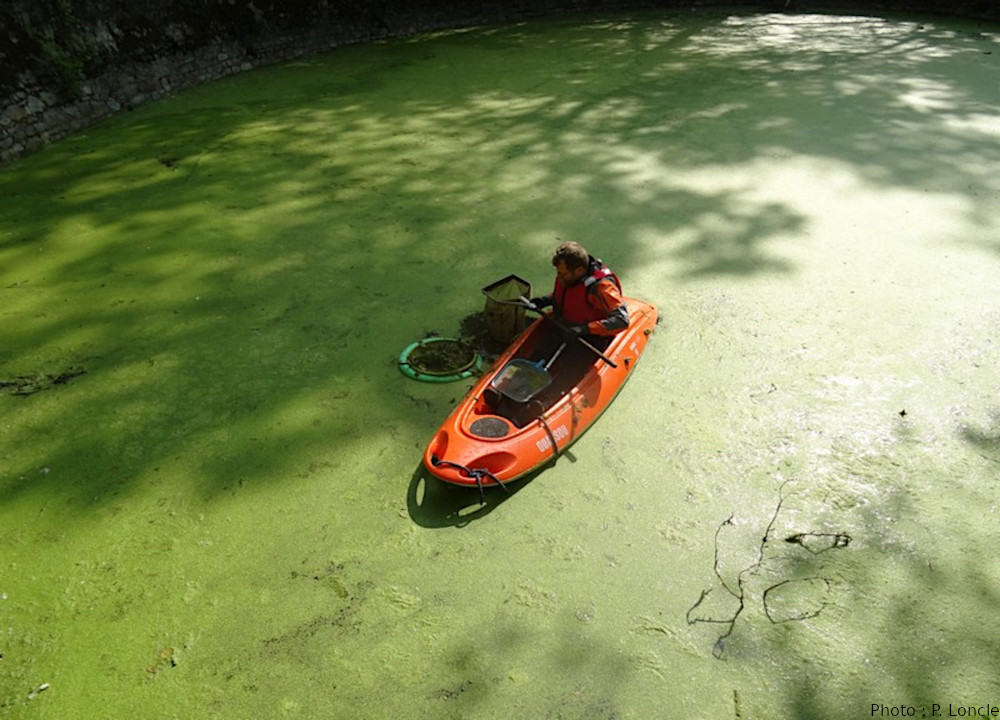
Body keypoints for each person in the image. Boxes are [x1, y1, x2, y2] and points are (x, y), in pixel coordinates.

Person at [530, 241, 629, 346]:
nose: (559, 277)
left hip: (589, 338)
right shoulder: (570, 277)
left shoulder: (602, 287)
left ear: (579, 270)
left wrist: (583, 329)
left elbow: (621, 321)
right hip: (563, 327)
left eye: (562, 274)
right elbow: (568, 296)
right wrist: (545, 300)